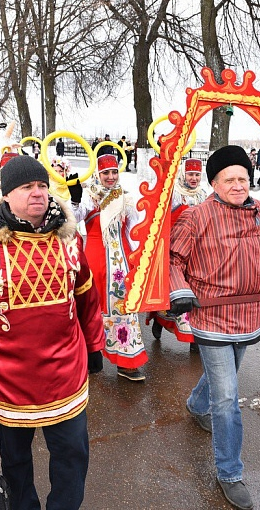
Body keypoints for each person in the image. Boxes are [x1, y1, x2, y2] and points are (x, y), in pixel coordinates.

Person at [0, 155, 105, 510]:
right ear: (6, 193)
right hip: (7, 382)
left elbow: (87, 298)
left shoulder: (70, 241)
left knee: (73, 458)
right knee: (16, 466)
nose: (38, 193)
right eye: (27, 187)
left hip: (66, 377)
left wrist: (94, 346)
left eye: (43, 186)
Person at [169, 145, 260, 510]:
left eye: (243, 179)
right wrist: (180, 291)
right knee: (228, 397)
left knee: (226, 376)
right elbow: (173, 259)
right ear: (214, 183)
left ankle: (195, 403)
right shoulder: (196, 217)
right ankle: (230, 473)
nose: (238, 185)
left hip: (249, 313)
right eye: (229, 179)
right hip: (212, 316)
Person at [70, 154, 147, 381]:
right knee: (89, 306)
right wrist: (74, 200)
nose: (111, 177)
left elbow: (134, 232)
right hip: (93, 261)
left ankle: (127, 361)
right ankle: (86, 358)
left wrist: (138, 258)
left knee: (122, 306)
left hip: (120, 264)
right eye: (106, 173)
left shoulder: (126, 199)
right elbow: (72, 220)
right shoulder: (88, 198)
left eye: (114, 172)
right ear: (97, 174)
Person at [150, 158, 210, 353]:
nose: (194, 178)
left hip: (197, 253)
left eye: (197, 175)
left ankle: (195, 337)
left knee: (195, 293)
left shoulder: (203, 195)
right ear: (183, 174)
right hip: (175, 250)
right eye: (191, 174)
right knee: (173, 295)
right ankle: (160, 321)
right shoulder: (174, 193)